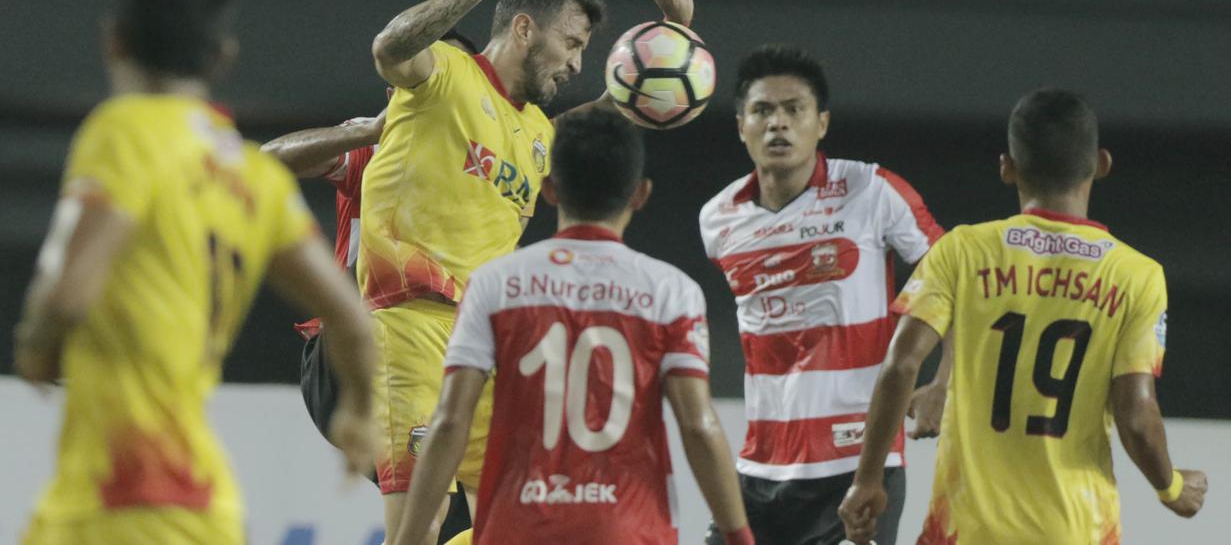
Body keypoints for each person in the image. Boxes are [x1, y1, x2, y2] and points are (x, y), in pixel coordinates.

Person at [13, 0, 377, 545]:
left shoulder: (125, 130)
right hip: (208, 506)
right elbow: (353, 323)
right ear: (221, 57)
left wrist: (36, 342)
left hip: (114, 498)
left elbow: (67, 296)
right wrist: (359, 416)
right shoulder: (251, 174)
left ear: (114, 41)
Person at [361, 0, 695, 542]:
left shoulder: (539, 131)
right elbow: (390, 47)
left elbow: (629, 96)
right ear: (523, 29)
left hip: (483, 345)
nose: (575, 63)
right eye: (570, 44)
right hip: (408, 323)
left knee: (526, 515)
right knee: (419, 522)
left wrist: (671, 29)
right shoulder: (448, 75)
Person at [838, 89, 1208, 544]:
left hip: (963, 530)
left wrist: (868, 479)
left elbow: (901, 364)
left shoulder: (962, 250)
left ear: (1007, 166)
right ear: (1101, 163)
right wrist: (1170, 487)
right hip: (1075, 530)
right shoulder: (1137, 276)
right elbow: (1136, 415)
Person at [392, 107, 754, 545]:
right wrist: (738, 535)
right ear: (639, 194)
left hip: (517, 530)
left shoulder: (495, 283)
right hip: (627, 531)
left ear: (548, 189)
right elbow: (697, 425)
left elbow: (450, 422)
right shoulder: (670, 292)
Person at [698, 45, 949, 545]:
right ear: (741, 125)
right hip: (759, 469)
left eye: (795, 110)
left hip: (856, 466)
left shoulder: (872, 190)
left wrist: (946, 381)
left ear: (822, 123)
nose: (778, 124)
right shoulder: (718, 217)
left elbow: (958, 275)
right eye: (763, 111)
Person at [261, 28, 481, 543]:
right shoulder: (378, 148)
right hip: (355, 356)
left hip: (444, 358)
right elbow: (265, 161)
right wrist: (370, 133)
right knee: (422, 522)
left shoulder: (485, 160)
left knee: (495, 516)